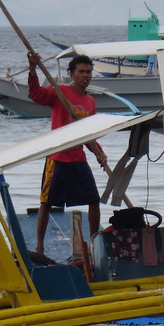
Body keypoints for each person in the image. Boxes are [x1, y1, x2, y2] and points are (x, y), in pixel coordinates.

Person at [27, 50, 109, 255]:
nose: (86, 76)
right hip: (58, 158)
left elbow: (89, 134)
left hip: (78, 159)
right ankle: (39, 247)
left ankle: (93, 244)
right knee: (46, 203)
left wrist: (99, 152)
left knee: (93, 200)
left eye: (89, 72)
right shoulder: (59, 91)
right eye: (81, 72)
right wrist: (33, 68)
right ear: (72, 74)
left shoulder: (90, 102)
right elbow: (36, 94)